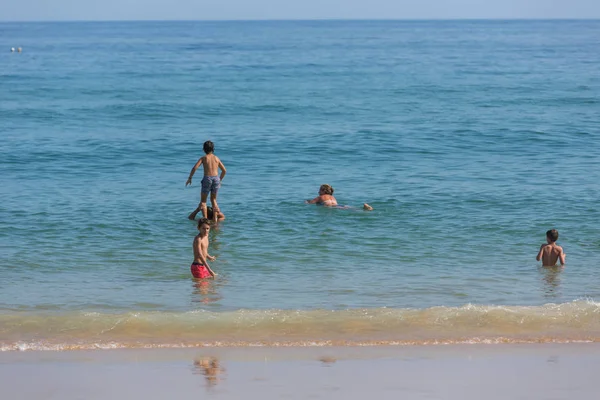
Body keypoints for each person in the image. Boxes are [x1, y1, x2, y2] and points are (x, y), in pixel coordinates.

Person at [186, 140, 227, 222]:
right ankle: (215, 219)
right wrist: (219, 180)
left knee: (203, 201)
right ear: (213, 149)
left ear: (204, 149)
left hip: (207, 178)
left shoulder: (204, 158)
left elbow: (194, 168)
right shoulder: (216, 158)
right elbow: (224, 171)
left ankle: (205, 220)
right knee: (214, 200)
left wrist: (190, 178)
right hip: (216, 178)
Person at [306, 184, 373, 210]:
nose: (318, 192)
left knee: (344, 208)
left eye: (320, 190)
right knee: (348, 207)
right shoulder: (332, 197)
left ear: (323, 191)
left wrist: (307, 201)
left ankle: (362, 210)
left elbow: (311, 202)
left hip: (330, 206)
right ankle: (364, 209)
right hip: (336, 205)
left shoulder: (321, 197)